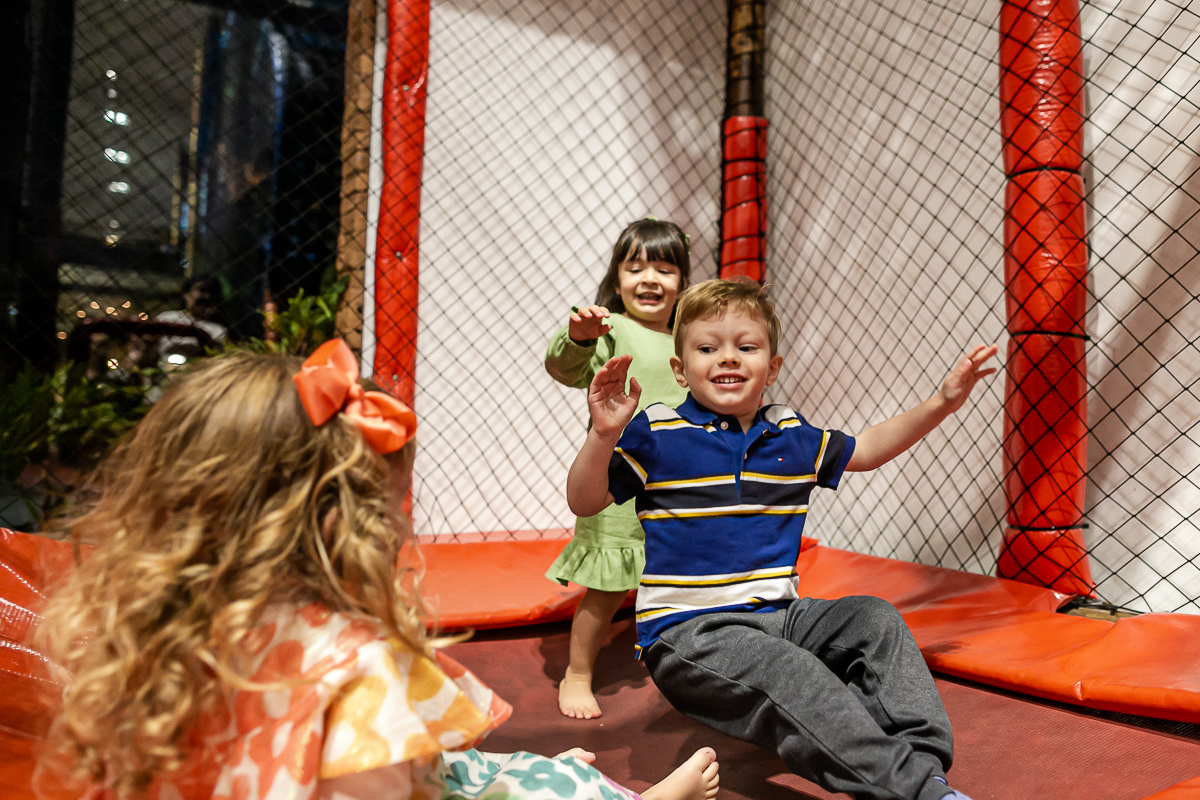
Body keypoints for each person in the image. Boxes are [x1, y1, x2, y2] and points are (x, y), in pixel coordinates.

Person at [34, 340, 720, 800]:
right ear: (343, 525)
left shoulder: (157, 622)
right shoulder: (353, 669)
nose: (400, 530)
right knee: (508, 783)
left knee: (508, 770)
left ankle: (556, 780)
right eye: (392, 512)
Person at [565, 279, 998, 800]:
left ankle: (920, 771)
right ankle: (911, 789)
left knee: (873, 618)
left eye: (746, 347)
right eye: (708, 348)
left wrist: (941, 404)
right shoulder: (657, 430)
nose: (728, 358)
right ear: (680, 370)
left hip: (781, 617)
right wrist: (603, 435)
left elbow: (867, 449)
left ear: (772, 367)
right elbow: (584, 500)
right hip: (689, 633)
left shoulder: (788, 432)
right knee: (788, 669)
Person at [544, 218, 691, 719]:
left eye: (665, 269)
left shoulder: (688, 338)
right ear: (617, 278)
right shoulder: (611, 328)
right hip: (617, 485)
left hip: (676, 485)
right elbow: (564, 369)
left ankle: (680, 660)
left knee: (679, 581)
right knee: (607, 587)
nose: (649, 279)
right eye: (636, 267)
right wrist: (580, 338)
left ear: (682, 283)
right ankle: (578, 672)